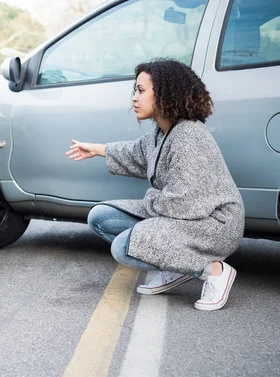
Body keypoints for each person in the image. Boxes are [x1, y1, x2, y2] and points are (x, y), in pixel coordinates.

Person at [66, 59, 244, 311]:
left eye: (141, 91)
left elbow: (181, 203)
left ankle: (214, 271)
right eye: (135, 91)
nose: (134, 98)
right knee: (101, 217)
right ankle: (178, 265)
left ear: (164, 93)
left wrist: (149, 199)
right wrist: (96, 150)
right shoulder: (162, 132)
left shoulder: (187, 137)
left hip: (213, 224)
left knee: (123, 248)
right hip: (185, 216)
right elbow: (136, 153)